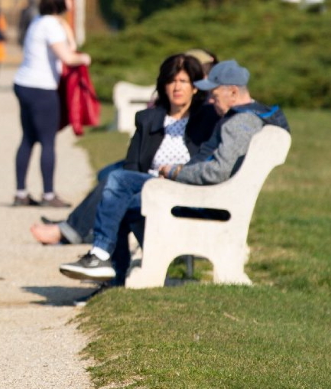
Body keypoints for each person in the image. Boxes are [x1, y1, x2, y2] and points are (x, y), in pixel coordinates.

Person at [58, 59, 289, 283]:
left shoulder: (239, 124)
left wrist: (175, 172)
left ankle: (102, 260)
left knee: (119, 182)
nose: (211, 100)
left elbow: (216, 172)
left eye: (215, 95)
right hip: (205, 195)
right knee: (118, 186)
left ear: (233, 93)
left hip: (205, 200)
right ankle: (107, 268)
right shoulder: (246, 117)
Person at [30, 53, 217, 256]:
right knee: (115, 184)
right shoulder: (149, 119)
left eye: (183, 81)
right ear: (163, 85)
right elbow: (132, 166)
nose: (177, 87)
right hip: (146, 186)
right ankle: (103, 259)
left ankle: (88, 244)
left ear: (195, 87)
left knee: (112, 184)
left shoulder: (206, 119)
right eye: (171, 81)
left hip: (182, 189)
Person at [12, 0, 91, 208]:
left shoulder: (40, 21)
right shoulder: (51, 26)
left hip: (24, 84)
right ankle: (48, 195)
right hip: (41, 88)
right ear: (60, 0)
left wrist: (64, 25)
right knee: (47, 141)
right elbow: (68, 56)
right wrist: (85, 59)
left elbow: (71, 43)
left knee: (28, 139)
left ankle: (20, 193)